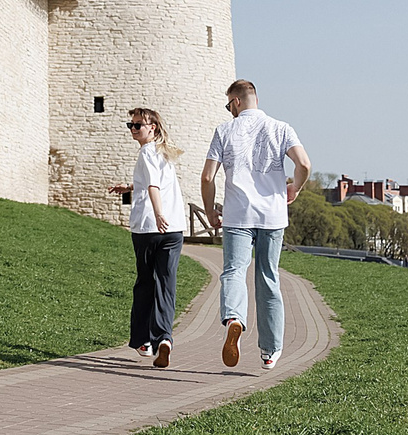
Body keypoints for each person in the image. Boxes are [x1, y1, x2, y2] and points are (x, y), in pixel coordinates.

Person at [201, 79, 312, 370]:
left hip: (238, 215)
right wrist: (295, 188)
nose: (229, 110)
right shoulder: (281, 128)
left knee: (234, 272)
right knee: (268, 277)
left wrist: (210, 210)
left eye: (229, 105)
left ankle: (235, 318)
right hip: (272, 216)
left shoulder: (224, 131)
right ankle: (270, 351)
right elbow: (304, 165)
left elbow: (207, 177)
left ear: (236, 102)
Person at [107, 107, 186, 368]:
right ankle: (165, 338)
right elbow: (151, 181)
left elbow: (153, 185)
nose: (132, 129)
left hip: (149, 227)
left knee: (145, 283)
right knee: (166, 283)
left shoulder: (146, 152)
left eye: (137, 125)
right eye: (130, 125)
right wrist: (130, 187)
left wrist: (158, 213)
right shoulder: (166, 152)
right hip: (175, 230)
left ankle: (144, 341)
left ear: (152, 127)